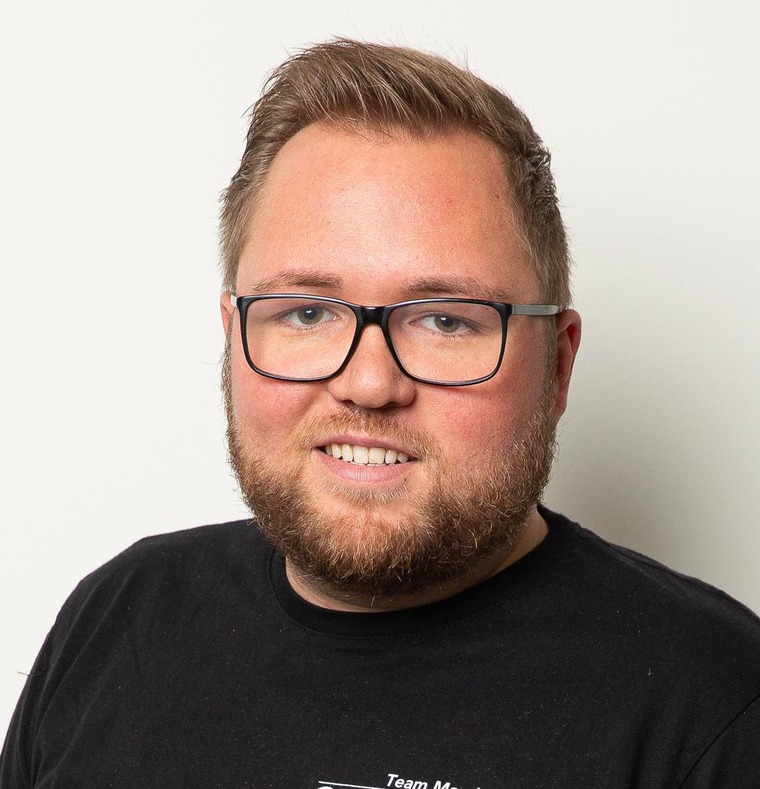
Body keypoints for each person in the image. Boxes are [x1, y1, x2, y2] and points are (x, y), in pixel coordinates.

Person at [2, 38, 759, 789]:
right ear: (233, 336)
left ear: (557, 365)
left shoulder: (717, 707)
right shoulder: (116, 620)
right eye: (306, 313)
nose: (368, 383)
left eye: (446, 320)